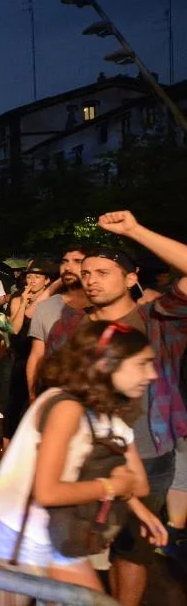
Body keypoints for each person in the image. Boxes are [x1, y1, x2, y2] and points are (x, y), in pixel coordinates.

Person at [43, 211, 187, 606]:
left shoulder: (158, 320)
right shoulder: (70, 326)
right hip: (85, 455)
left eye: (103, 272)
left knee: (132, 551)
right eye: (86, 273)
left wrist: (135, 230)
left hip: (149, 454)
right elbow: (53, 389)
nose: (91, 280)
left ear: (130, 278)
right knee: (71, 549)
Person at [0, 322, 166, 602]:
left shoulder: (103, 412)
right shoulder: (65, 407)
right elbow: (48, 492)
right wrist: (112, 487)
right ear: (105, 364)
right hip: (18, 532)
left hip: (58, 531)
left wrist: (136, 504)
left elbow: (138, 483)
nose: (152, 374)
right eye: (142, 364)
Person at [25, 246, 90, 397]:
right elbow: (36, 356)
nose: (68, 267)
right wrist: (33, 397)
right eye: (64, 261)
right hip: (54, 396)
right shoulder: (47, 306)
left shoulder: (105, 306)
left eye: (77, 261)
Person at [3, 261, 53, 446]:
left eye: (37, 277)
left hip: (44, 357)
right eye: (29, 276)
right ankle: (7, 449)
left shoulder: (52, 300)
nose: (31, 280)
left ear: (46, 281)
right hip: (21, 356)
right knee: (14, 405)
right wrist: (23, 302)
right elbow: (14, 329)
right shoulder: (18, 298)